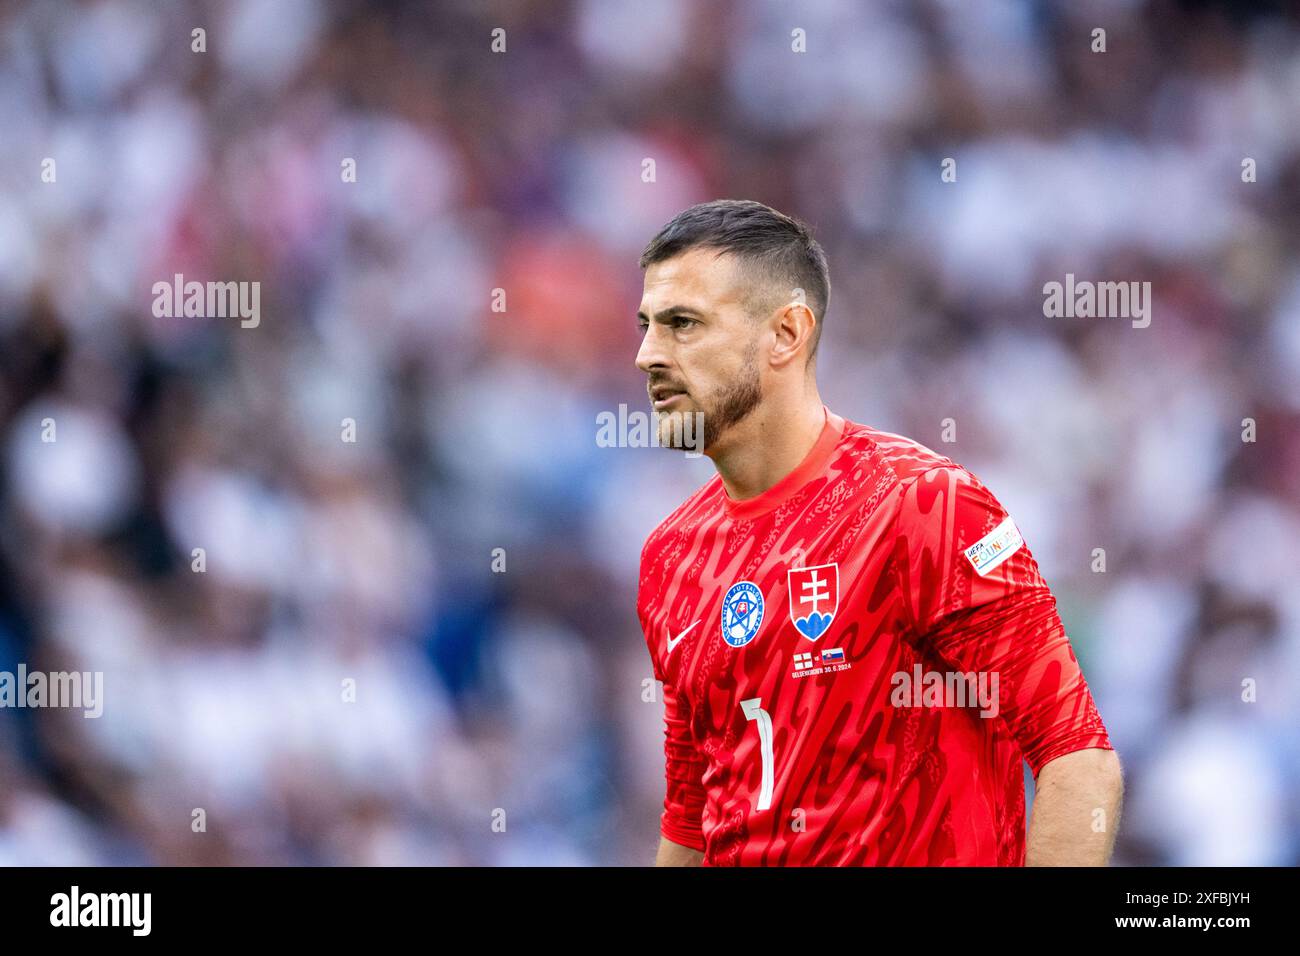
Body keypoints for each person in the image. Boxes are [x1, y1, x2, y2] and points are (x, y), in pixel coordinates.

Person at [634, 199, 1122, 866]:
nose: (646, 355)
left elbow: (1077, 758)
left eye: (682, 325)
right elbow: (692, 817)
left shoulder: (921, 505)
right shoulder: (672, 555)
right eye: (648, 326)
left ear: (786, 334)